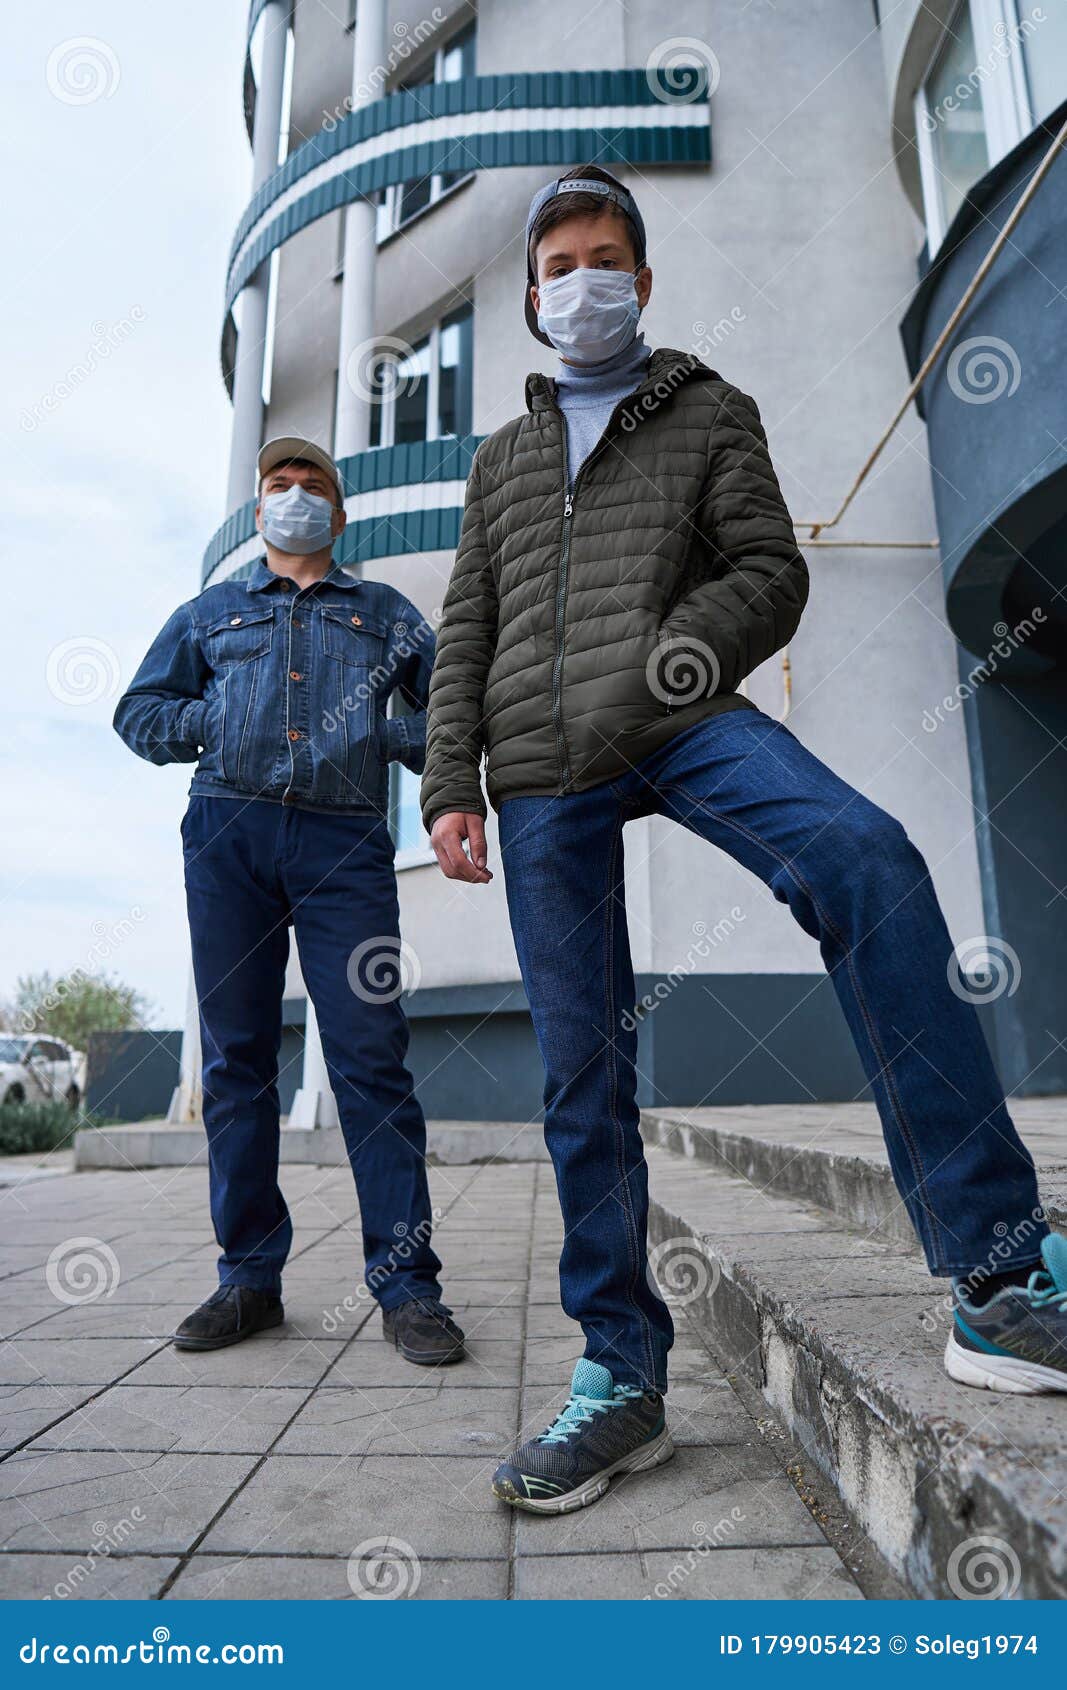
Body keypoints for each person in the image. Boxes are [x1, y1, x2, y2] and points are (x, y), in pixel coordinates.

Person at [421, 165, 1061, 1516]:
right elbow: (464, 633)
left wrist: (663, 663)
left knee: (867, 856)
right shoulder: (499, 462)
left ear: (639, 282)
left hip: (671, 717)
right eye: (556, 265)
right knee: (578, 1067)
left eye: (604, 256)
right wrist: (446, 785)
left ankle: (997, 1275)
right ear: (533, 300)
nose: (579, 278)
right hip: (535, 777)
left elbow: (767, 569)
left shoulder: (708, 410)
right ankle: (619, 1375)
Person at [115, 436, 465, 1367]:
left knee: (370, 1059)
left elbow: (450, 718)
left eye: (313, 485)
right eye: (280, 484)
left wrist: (385, 736)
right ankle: (248, 1281)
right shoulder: (210, 612)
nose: (296, 495)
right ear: (262, 510)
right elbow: (138, 713)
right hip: (226, 839)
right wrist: (215, 722)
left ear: (338, 516)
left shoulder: (387, 615)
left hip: (345, 845)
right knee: (237, 1061)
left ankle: (408, 1288)